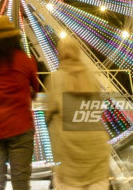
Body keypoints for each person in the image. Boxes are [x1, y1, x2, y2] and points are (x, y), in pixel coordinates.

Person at [0, 15, 39, 190]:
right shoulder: (25, 61)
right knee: (20, 182)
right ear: (14, 38)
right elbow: (35, 89)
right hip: (20, 126)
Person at [45, 37, 110, 190]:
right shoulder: (92, 79)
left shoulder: (55, 79)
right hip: (98, 154)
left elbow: (49, 115)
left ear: (59, 53)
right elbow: (97, 110)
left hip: (71, 158)